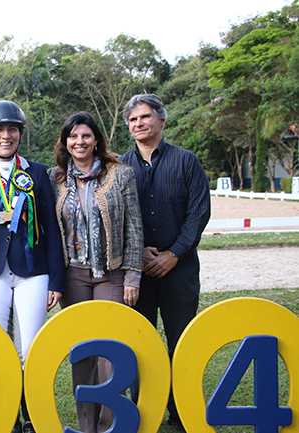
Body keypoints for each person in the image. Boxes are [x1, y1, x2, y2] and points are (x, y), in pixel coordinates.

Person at [0, 100, 65, 433]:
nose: (5, 136)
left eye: (12, 130)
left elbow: (51, 227)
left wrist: (56, 280)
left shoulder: (37, 172)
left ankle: (32, 416)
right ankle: (9, 418)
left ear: (20, 133)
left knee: (30, 347)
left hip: (33, 270)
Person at [118, 94, 210, 432]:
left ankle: (182, 411)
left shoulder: (186, 161)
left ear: (161, 120)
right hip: (137, 271)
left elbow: (199, 213)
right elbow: (115, 216)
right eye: (133, 120)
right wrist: (138, 251)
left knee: (181, 341)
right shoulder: (120, 167)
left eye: (144, 117)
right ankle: (145, 408)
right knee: (141, 343)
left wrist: (175, 253)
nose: (138, 123)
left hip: (179, 268)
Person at [48, 111, 143, 433]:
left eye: (86, 135)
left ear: (96, 140)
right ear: (65, 142)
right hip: (72, 275)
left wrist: (132, 276)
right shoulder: (54, 178)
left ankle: (111, 426)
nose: (80, 142)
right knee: (83, 354)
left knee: (110, 352)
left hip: (111, 274)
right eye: (73, 136)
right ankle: (88, 426)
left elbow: (134, 228)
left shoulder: (121, 175)